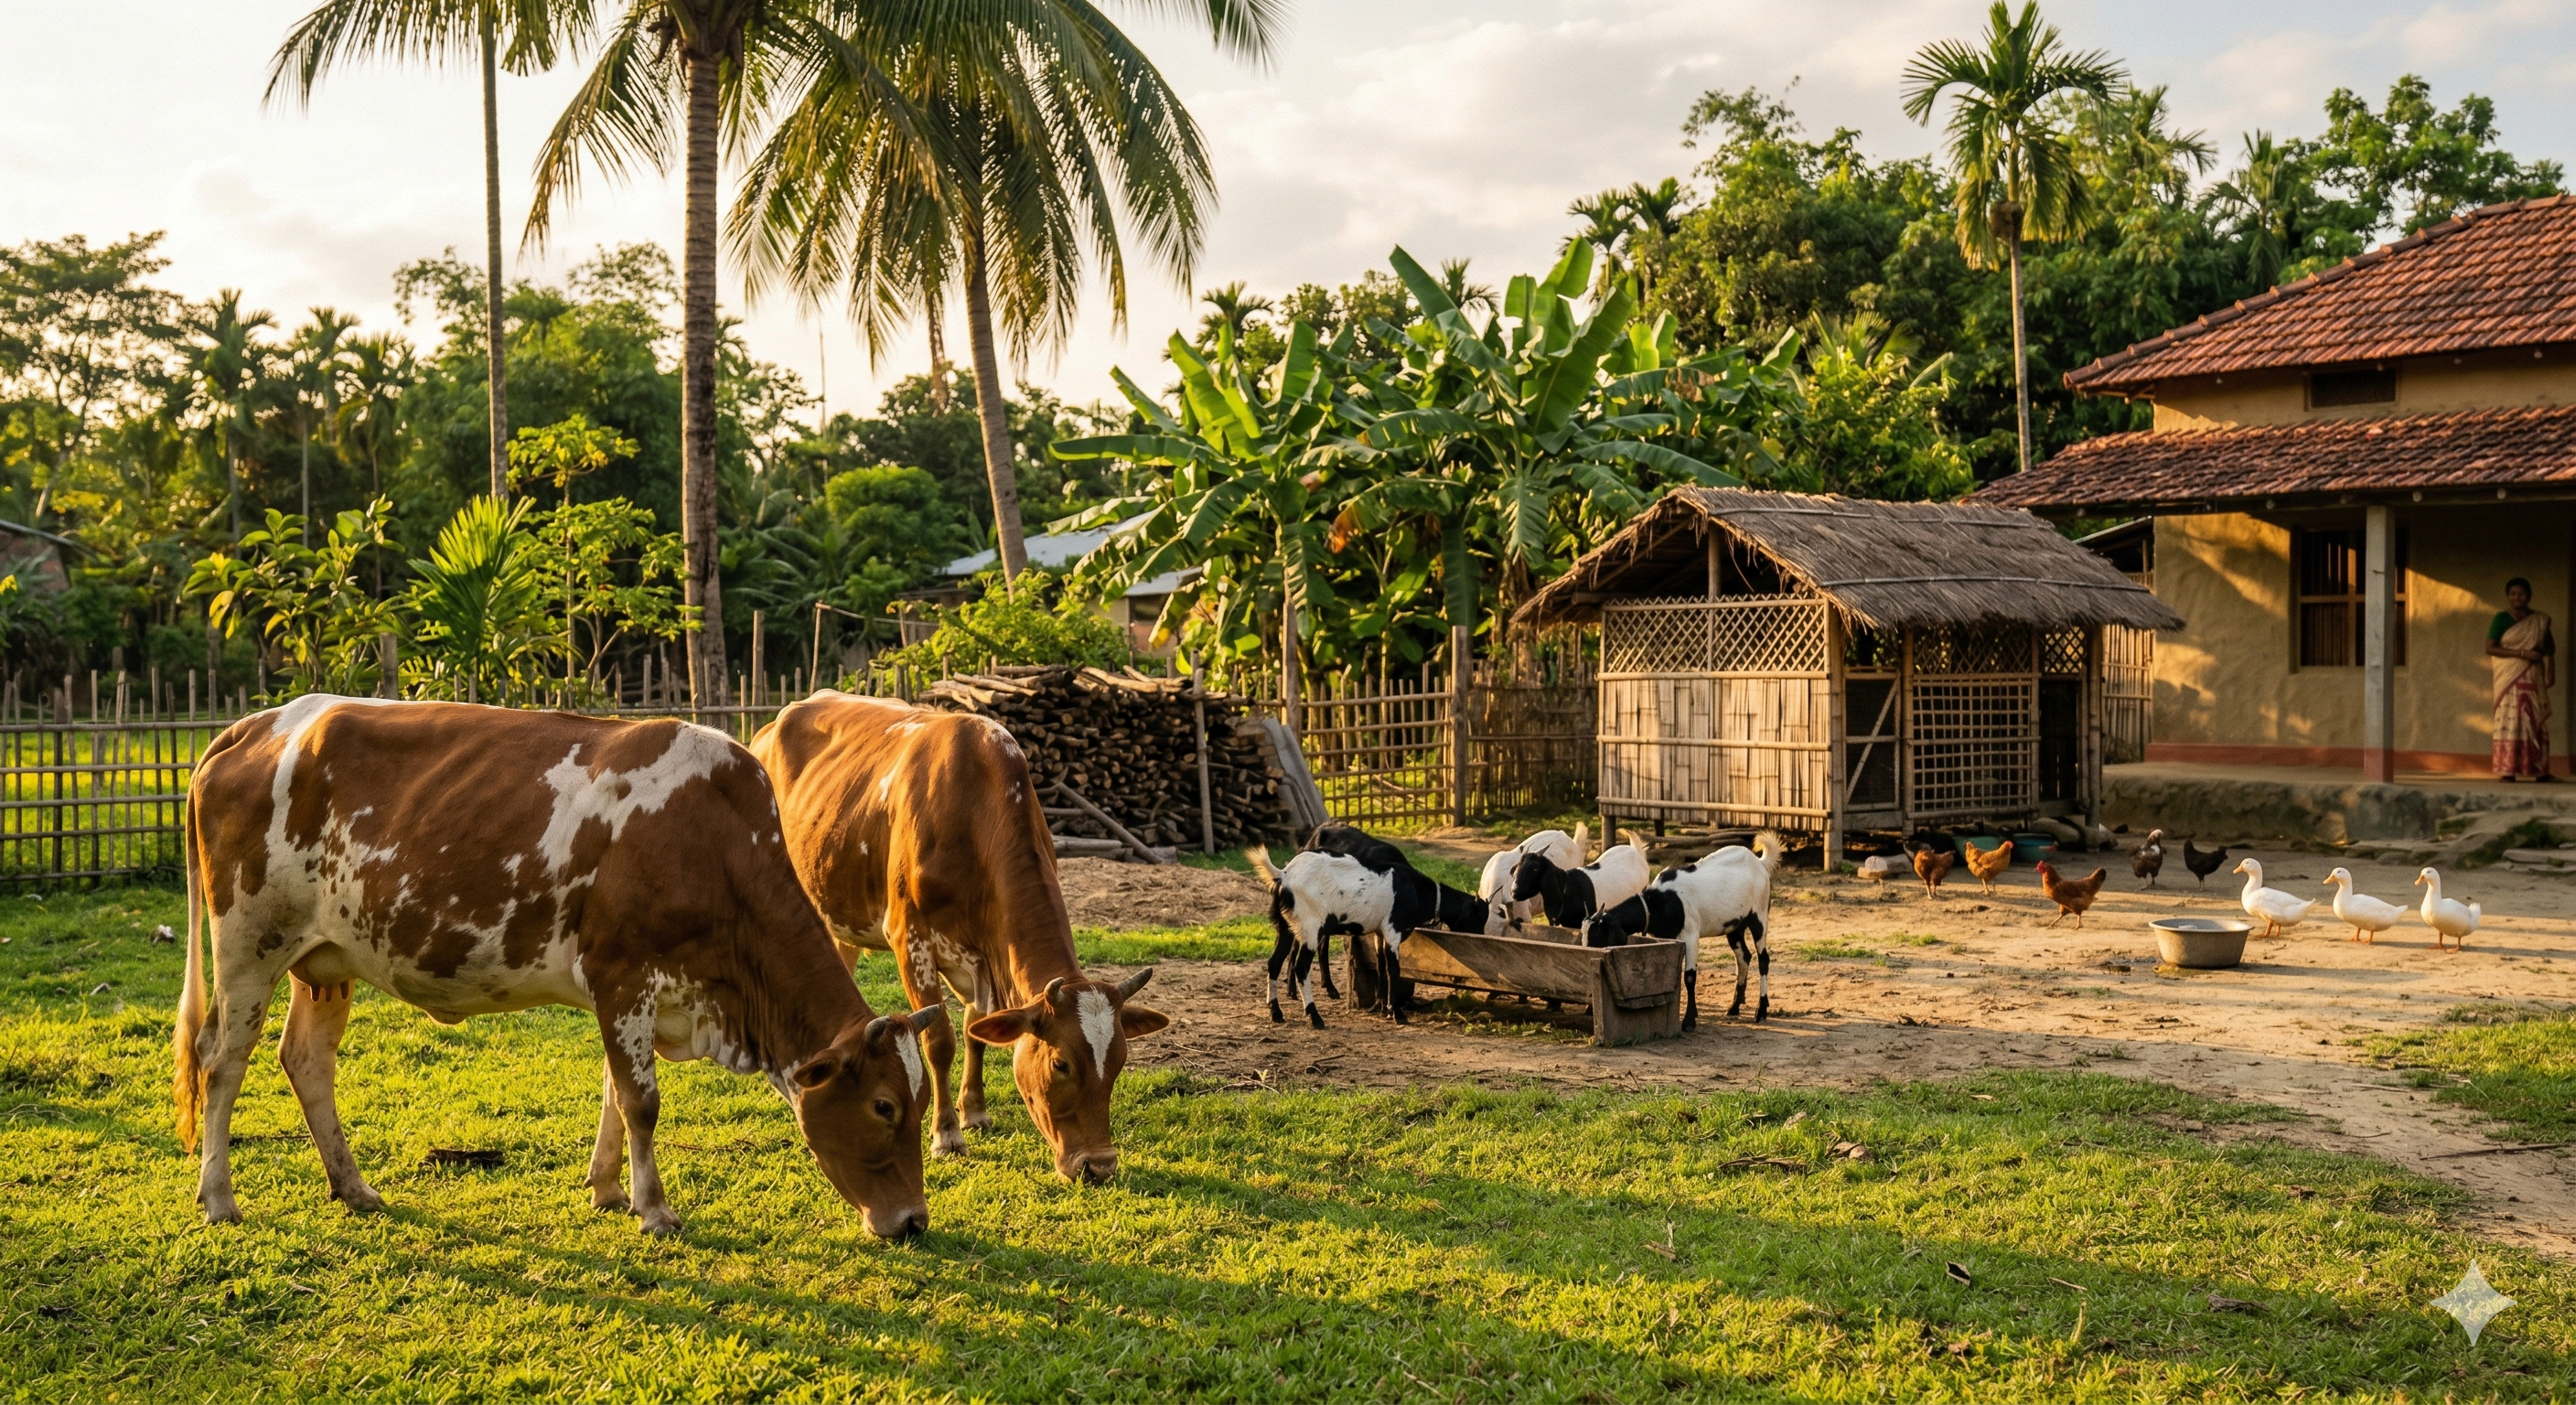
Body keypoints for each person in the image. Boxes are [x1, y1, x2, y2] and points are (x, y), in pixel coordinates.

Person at [2486, 577, 2557, 782]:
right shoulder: (2500, 618)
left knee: (2534, 719)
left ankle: (2541, 771)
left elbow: (2550, 648)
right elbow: (2490, 648)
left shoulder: (2539, 621)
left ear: (2529, 596)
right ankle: (2507, 771)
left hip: (2532, 675)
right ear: (2508, 597)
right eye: (2513, 594)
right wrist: (2523, 653)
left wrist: (2545, 664)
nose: (2517, 598)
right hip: (2508, 677)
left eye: (2521, 594)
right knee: (2510, 720)